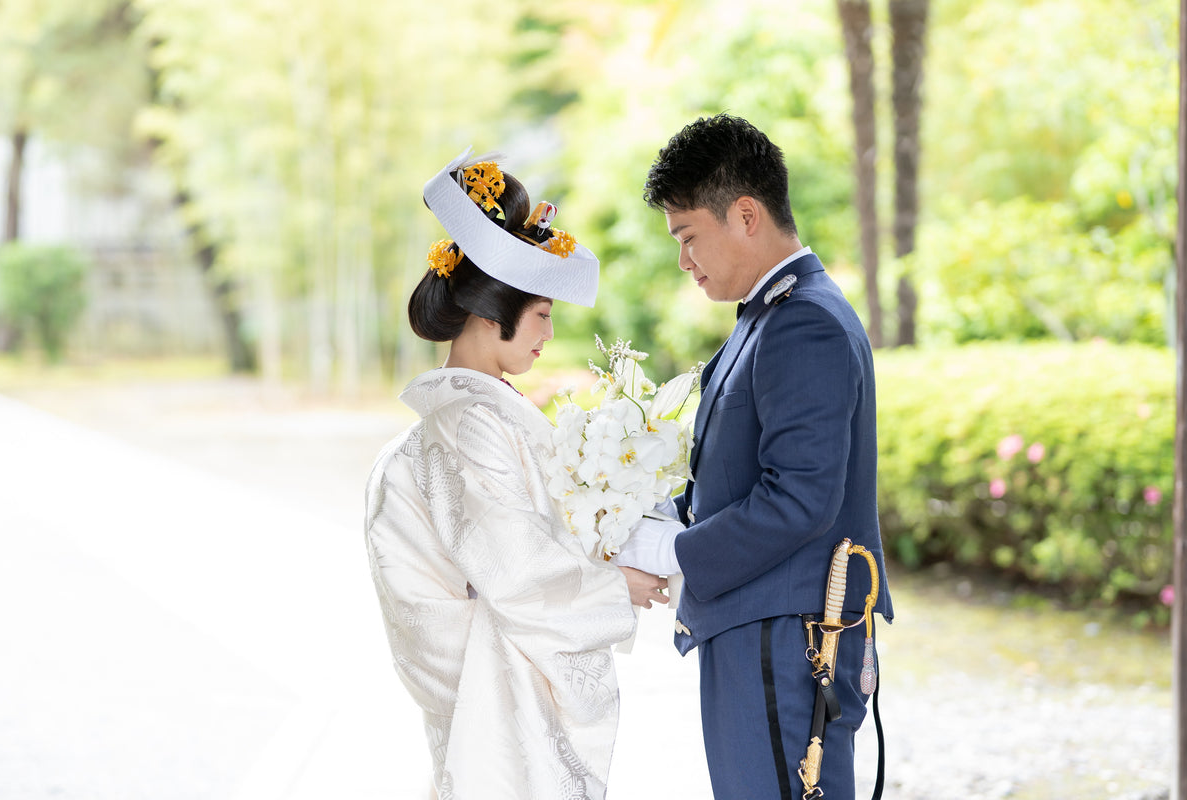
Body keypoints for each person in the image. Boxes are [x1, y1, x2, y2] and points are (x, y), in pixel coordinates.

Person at [364, 150, 668, 800]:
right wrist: (615, 586)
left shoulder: (468, 417)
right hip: (497, 690)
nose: (548, 335)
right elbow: (516, 566)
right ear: (488, 314)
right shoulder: (471, 426)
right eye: (541, 316)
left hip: (491, 685)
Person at [615, 113, 895, 800]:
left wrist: (670, 553)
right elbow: (733, 476)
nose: (683, 260)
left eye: (688, 237)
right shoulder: (769, 315)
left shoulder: (804, 323)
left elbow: (799, 499)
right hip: (761, 630)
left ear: (745, 214)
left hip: (788, 642)